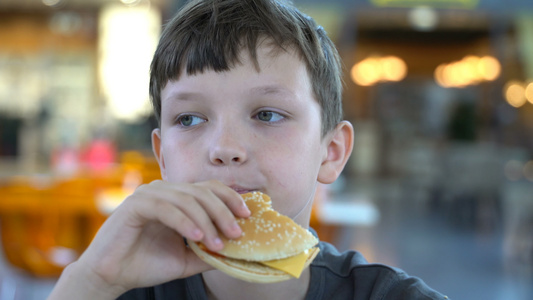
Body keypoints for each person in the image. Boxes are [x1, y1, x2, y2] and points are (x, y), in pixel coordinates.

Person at [48, 0, 448, 299]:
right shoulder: (116, 289)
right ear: (163, 158)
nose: (224, 148)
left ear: (331, 152)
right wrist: (90, 282)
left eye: (268, 114)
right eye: (189, 119)